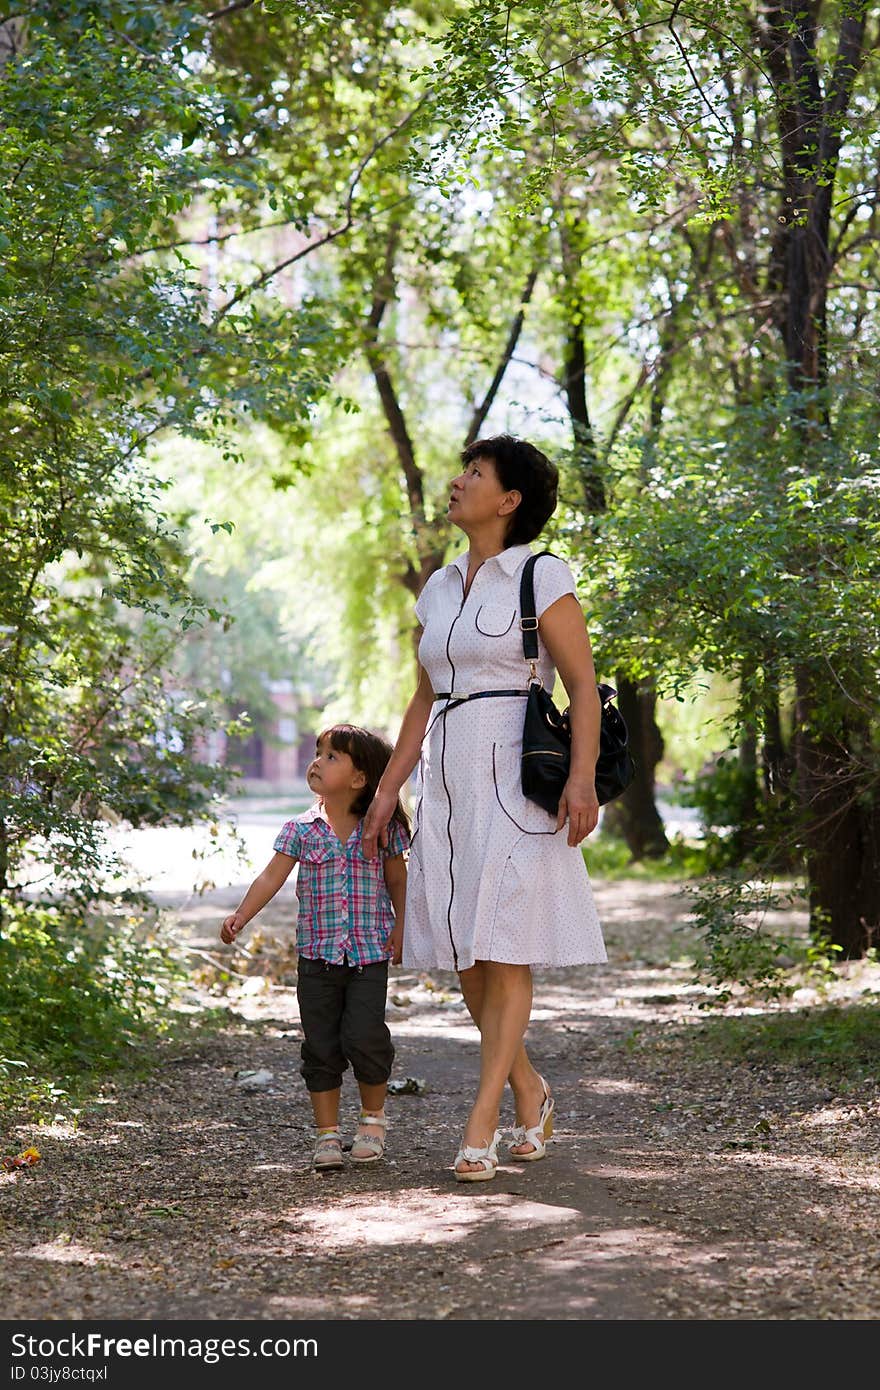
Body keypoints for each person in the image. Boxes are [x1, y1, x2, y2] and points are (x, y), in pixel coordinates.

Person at [361, 434, 606, 1182]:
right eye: (463, 468)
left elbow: (583, 687)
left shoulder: (540, 574)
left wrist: (584, 779)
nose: (458, 480)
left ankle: (483, 1120)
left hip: (516, 769)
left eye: (476, 472)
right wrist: (386, 788)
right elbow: (425, 694)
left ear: (509, 501)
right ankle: (530, 1090)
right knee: (467, 950)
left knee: (503, 942)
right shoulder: (437, 587)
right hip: (447, 774)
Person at [220, 724, 409, 1172]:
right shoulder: (300, 830)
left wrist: (404, 926)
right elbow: (271, 877)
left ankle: (372, 1121)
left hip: (367, 955)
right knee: (321, 1045)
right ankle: (327, 1136)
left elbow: (398, 878)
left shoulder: (381, 828)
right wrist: (242, 916)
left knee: (364, 1037)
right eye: (317, 753)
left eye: (331, 756)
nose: (316, 762)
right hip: (317, 957)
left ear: (360, 778)